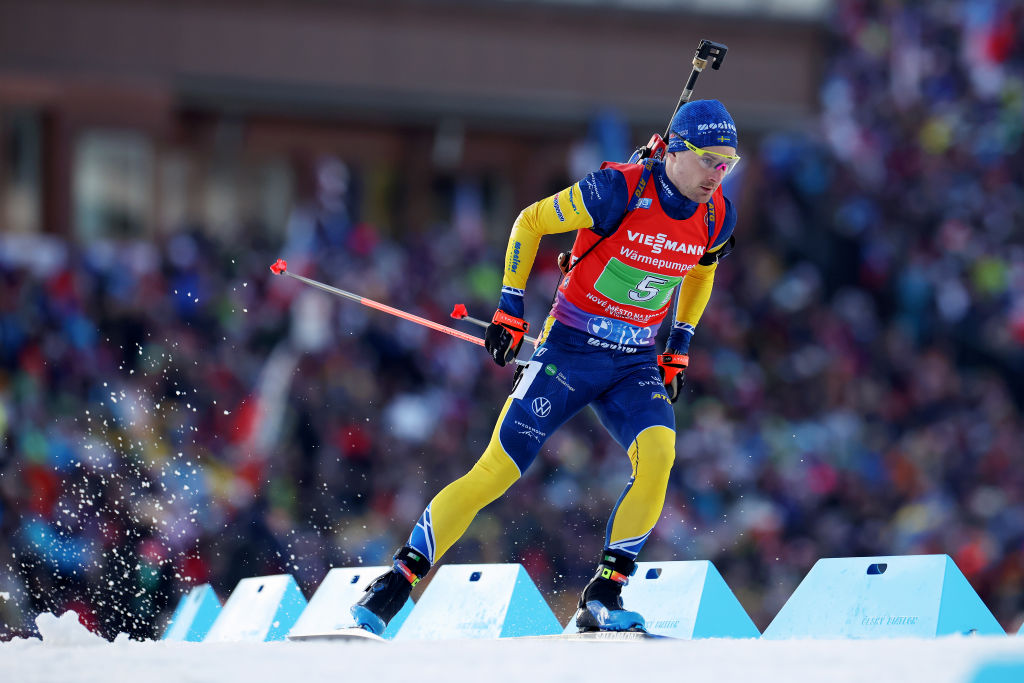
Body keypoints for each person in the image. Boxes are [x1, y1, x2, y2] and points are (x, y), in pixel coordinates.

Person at [351, 99, 740, 634]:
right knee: (496, 472)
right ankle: (397, 580)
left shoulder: (717, 213)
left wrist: (680, 342)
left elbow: (701, 269)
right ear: (675, 150)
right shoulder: (616, 189)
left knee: (659, 455)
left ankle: (604, 593)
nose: (718, 174)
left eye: (729, 164)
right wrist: (511, 306)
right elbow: (529, 221)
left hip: (633, 361)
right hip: (568, 352)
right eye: (709, 159)